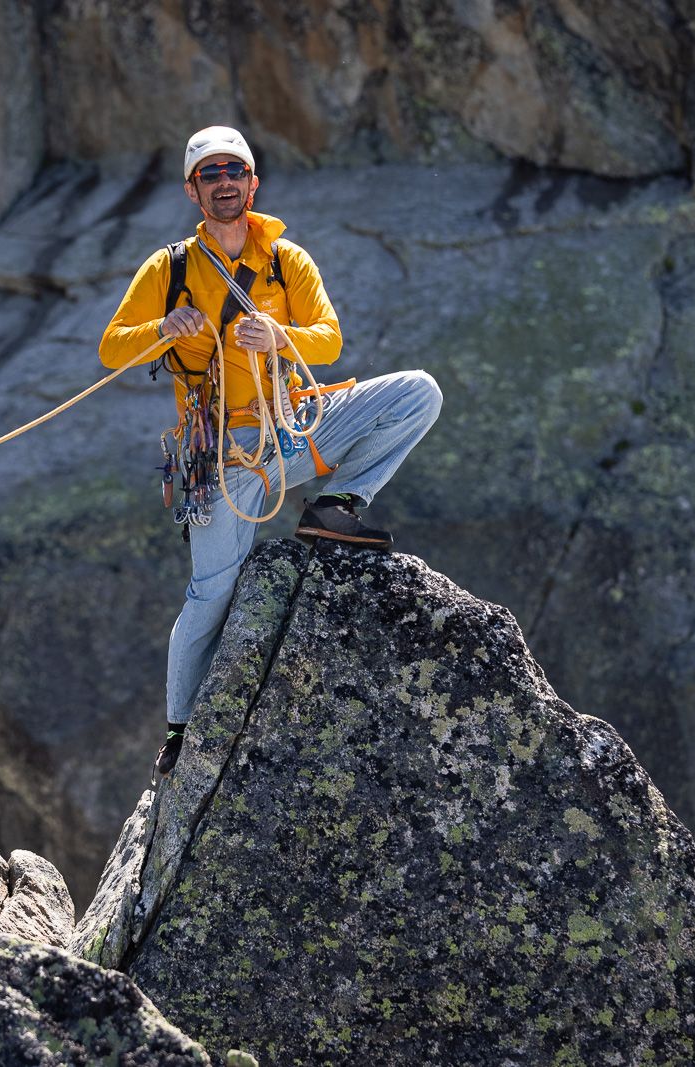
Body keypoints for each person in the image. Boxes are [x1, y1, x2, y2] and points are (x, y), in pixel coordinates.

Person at [99, 125, 442, 778]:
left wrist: (282, 334)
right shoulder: (169, 270)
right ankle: (178, 729)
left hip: (293, 428)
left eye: (235, 169)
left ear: (252, 183)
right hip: (221, 454)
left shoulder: (289, 261)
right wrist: (161, 328)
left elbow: (329, 341)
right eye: (210, 172)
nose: (224, 180)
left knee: (417, 394)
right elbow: (112, 348)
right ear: (193, 190)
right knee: (211, 592)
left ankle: (337, 504)